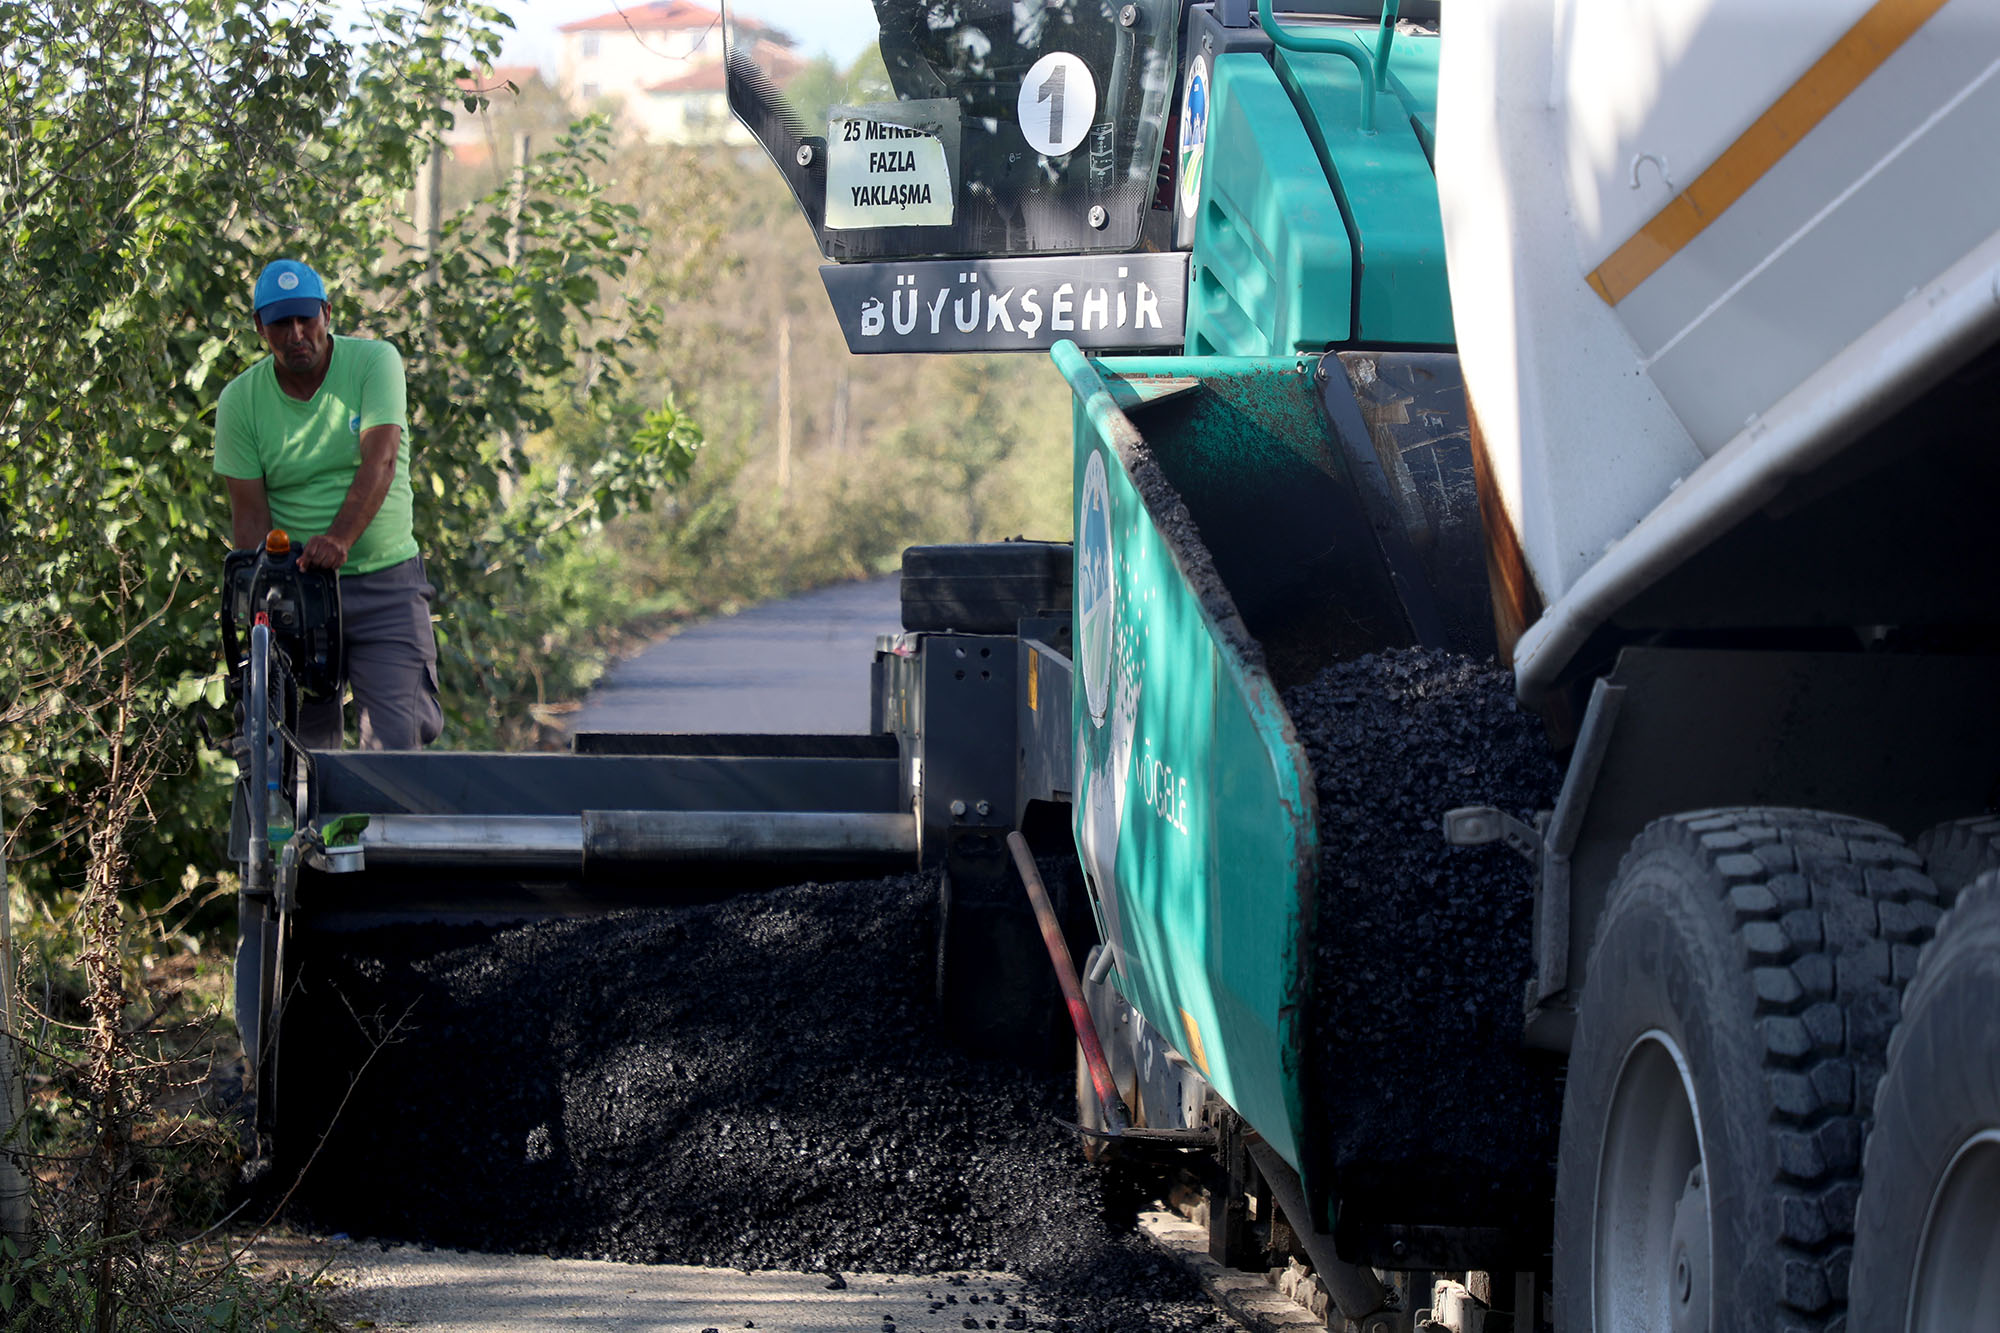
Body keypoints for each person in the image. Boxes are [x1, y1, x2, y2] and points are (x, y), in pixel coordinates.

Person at [214, 258, 443, 751]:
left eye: (306, 319)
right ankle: (304, 829)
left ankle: (381, 826)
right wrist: (269, 595)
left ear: (327, 314)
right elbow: (250, 516)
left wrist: (340, 539)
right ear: (260, 328)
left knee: (395, 745)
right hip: (297, 591)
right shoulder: (241, 401)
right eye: (281, 323)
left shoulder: (374, 363)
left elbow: (379, 463)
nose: (296, 334)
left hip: (384, 583)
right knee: (296, 750)